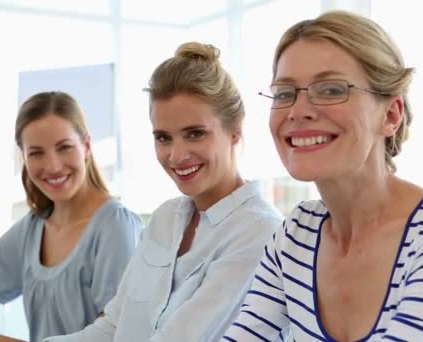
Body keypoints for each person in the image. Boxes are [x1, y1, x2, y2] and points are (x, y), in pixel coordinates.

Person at [224, 10, 423, 341]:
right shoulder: (297, 235)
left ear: (390, 115)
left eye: (331, 90)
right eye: (285, 93)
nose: (297, 110)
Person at [44, 42, 283, 342]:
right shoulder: (165, 219)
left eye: (195, 134)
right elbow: (112, 328)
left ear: (235, 130)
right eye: (163, 138)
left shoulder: (260, 234)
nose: (177, 155)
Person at [0, 91, 142, 342]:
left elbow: (116, 338)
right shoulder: (32, 230)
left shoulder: (116, 226)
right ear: (23, 156)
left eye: (64, 147)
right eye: (36, 153)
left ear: (86, 146)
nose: (53, 166)